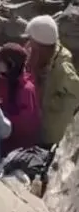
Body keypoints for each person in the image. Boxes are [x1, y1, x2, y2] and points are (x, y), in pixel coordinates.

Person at [25, 15, 79, 147]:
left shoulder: (62, 67)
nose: (28, 42)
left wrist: (53, 104)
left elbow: (76, 92)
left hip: (51, 131)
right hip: (38, 123)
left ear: (40, 45)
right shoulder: (43, 53)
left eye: (31, 40)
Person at [0, 42, 41, 152]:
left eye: (0, 61)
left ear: (11, 64)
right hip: (4, 139)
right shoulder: (3, 80)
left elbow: (26, 124)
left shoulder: (26, 90)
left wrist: (2, 116)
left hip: (19, 147)